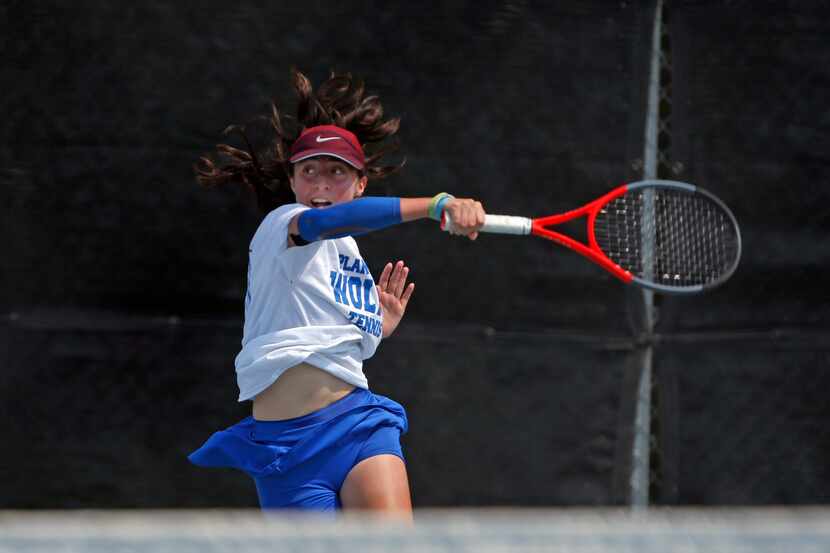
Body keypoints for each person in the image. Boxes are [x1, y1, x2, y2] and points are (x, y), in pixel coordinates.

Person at [188, 69, 485, 517]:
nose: (321, 185)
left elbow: (325, 343)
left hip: (359, 426)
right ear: (292, 181)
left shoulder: (349, 258)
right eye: (309, 171)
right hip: (286, 445)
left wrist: (374, 327)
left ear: (361, 183)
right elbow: (329, 222)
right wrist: (437, 204)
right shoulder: (284, 224)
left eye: (337, 173)